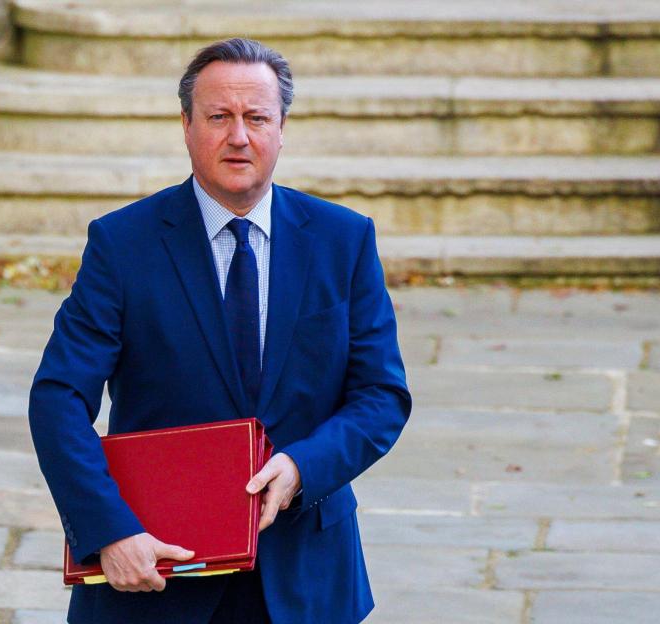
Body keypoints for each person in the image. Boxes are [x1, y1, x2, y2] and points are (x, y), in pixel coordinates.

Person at [29, 37, 412, 624]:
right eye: (218, 117)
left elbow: (381, 396)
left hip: (304, 575)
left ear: (281, 127)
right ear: (186, 125)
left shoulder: (344, 241)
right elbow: (57, 398)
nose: (239, 136)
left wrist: (305, 466)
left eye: (257, 117)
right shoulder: (122, 244)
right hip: (155, 571)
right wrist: (109, 530)